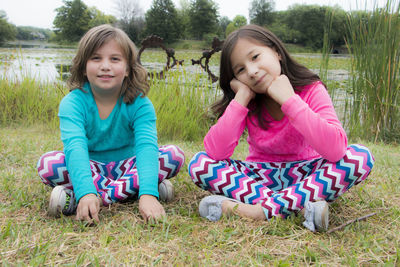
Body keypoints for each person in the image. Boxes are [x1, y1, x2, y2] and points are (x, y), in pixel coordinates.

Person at [188, 24, 374, 232]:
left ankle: (258, 212)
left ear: (276, 51)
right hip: (258, 179)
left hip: (308, 175)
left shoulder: (311, 89)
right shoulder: (248, 101)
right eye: (240, 69)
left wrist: (289, 100)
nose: (251, 71)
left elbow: (336, 149)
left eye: (255, 57)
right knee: (200, 163)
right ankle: (298, 207)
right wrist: (241, 99)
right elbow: (216, 152)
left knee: (360, 157)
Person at [37, 24, 185, 224]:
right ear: (83, 66)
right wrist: (86, 190)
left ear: (127, 69)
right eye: (96, 58)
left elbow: (146, 147)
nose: (105, 65)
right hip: (92, 168)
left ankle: (98, 197)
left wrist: (149, 194)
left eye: (114, 59)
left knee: (173, 155)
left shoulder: (140, 103)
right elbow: (75, 148)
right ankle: (126, 191)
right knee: (48, 164)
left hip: (130, 166)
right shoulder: (72, 103)